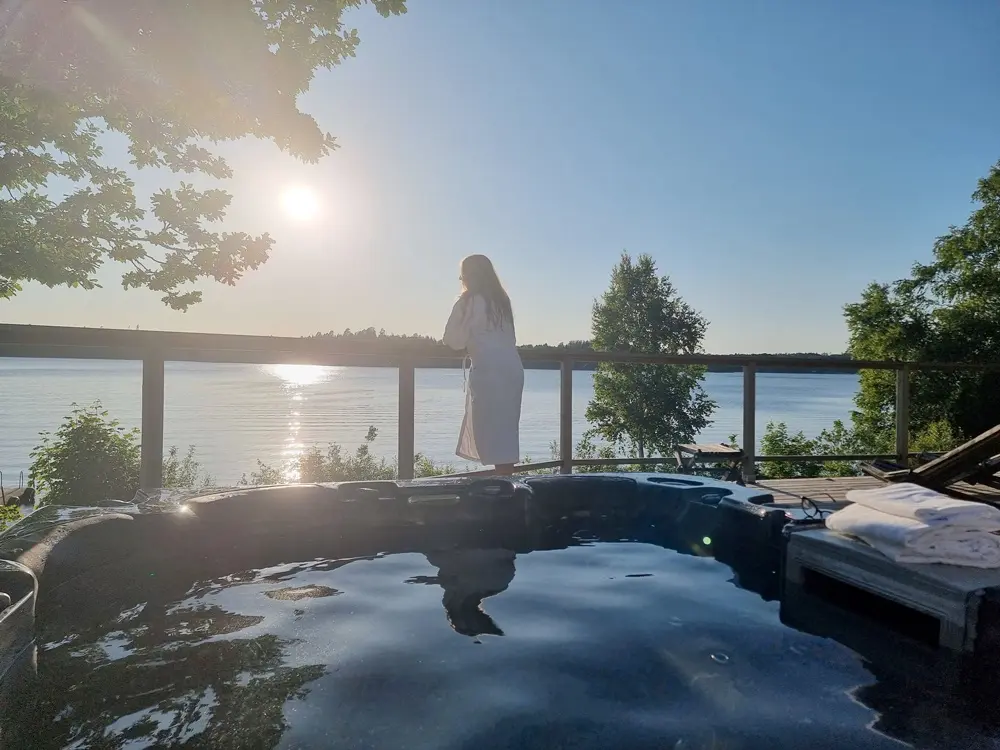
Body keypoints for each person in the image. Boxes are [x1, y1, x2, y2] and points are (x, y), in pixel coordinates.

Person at [443, 254, 524, 475]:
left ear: (469, 276)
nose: (462, 280)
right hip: (512, 369)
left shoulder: (468, 302)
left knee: (490, 431)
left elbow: (453, 340)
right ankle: (508, 485)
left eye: (462, 276)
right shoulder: (502, 300)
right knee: (505, 434)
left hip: (489, 370)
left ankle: (503, 491)